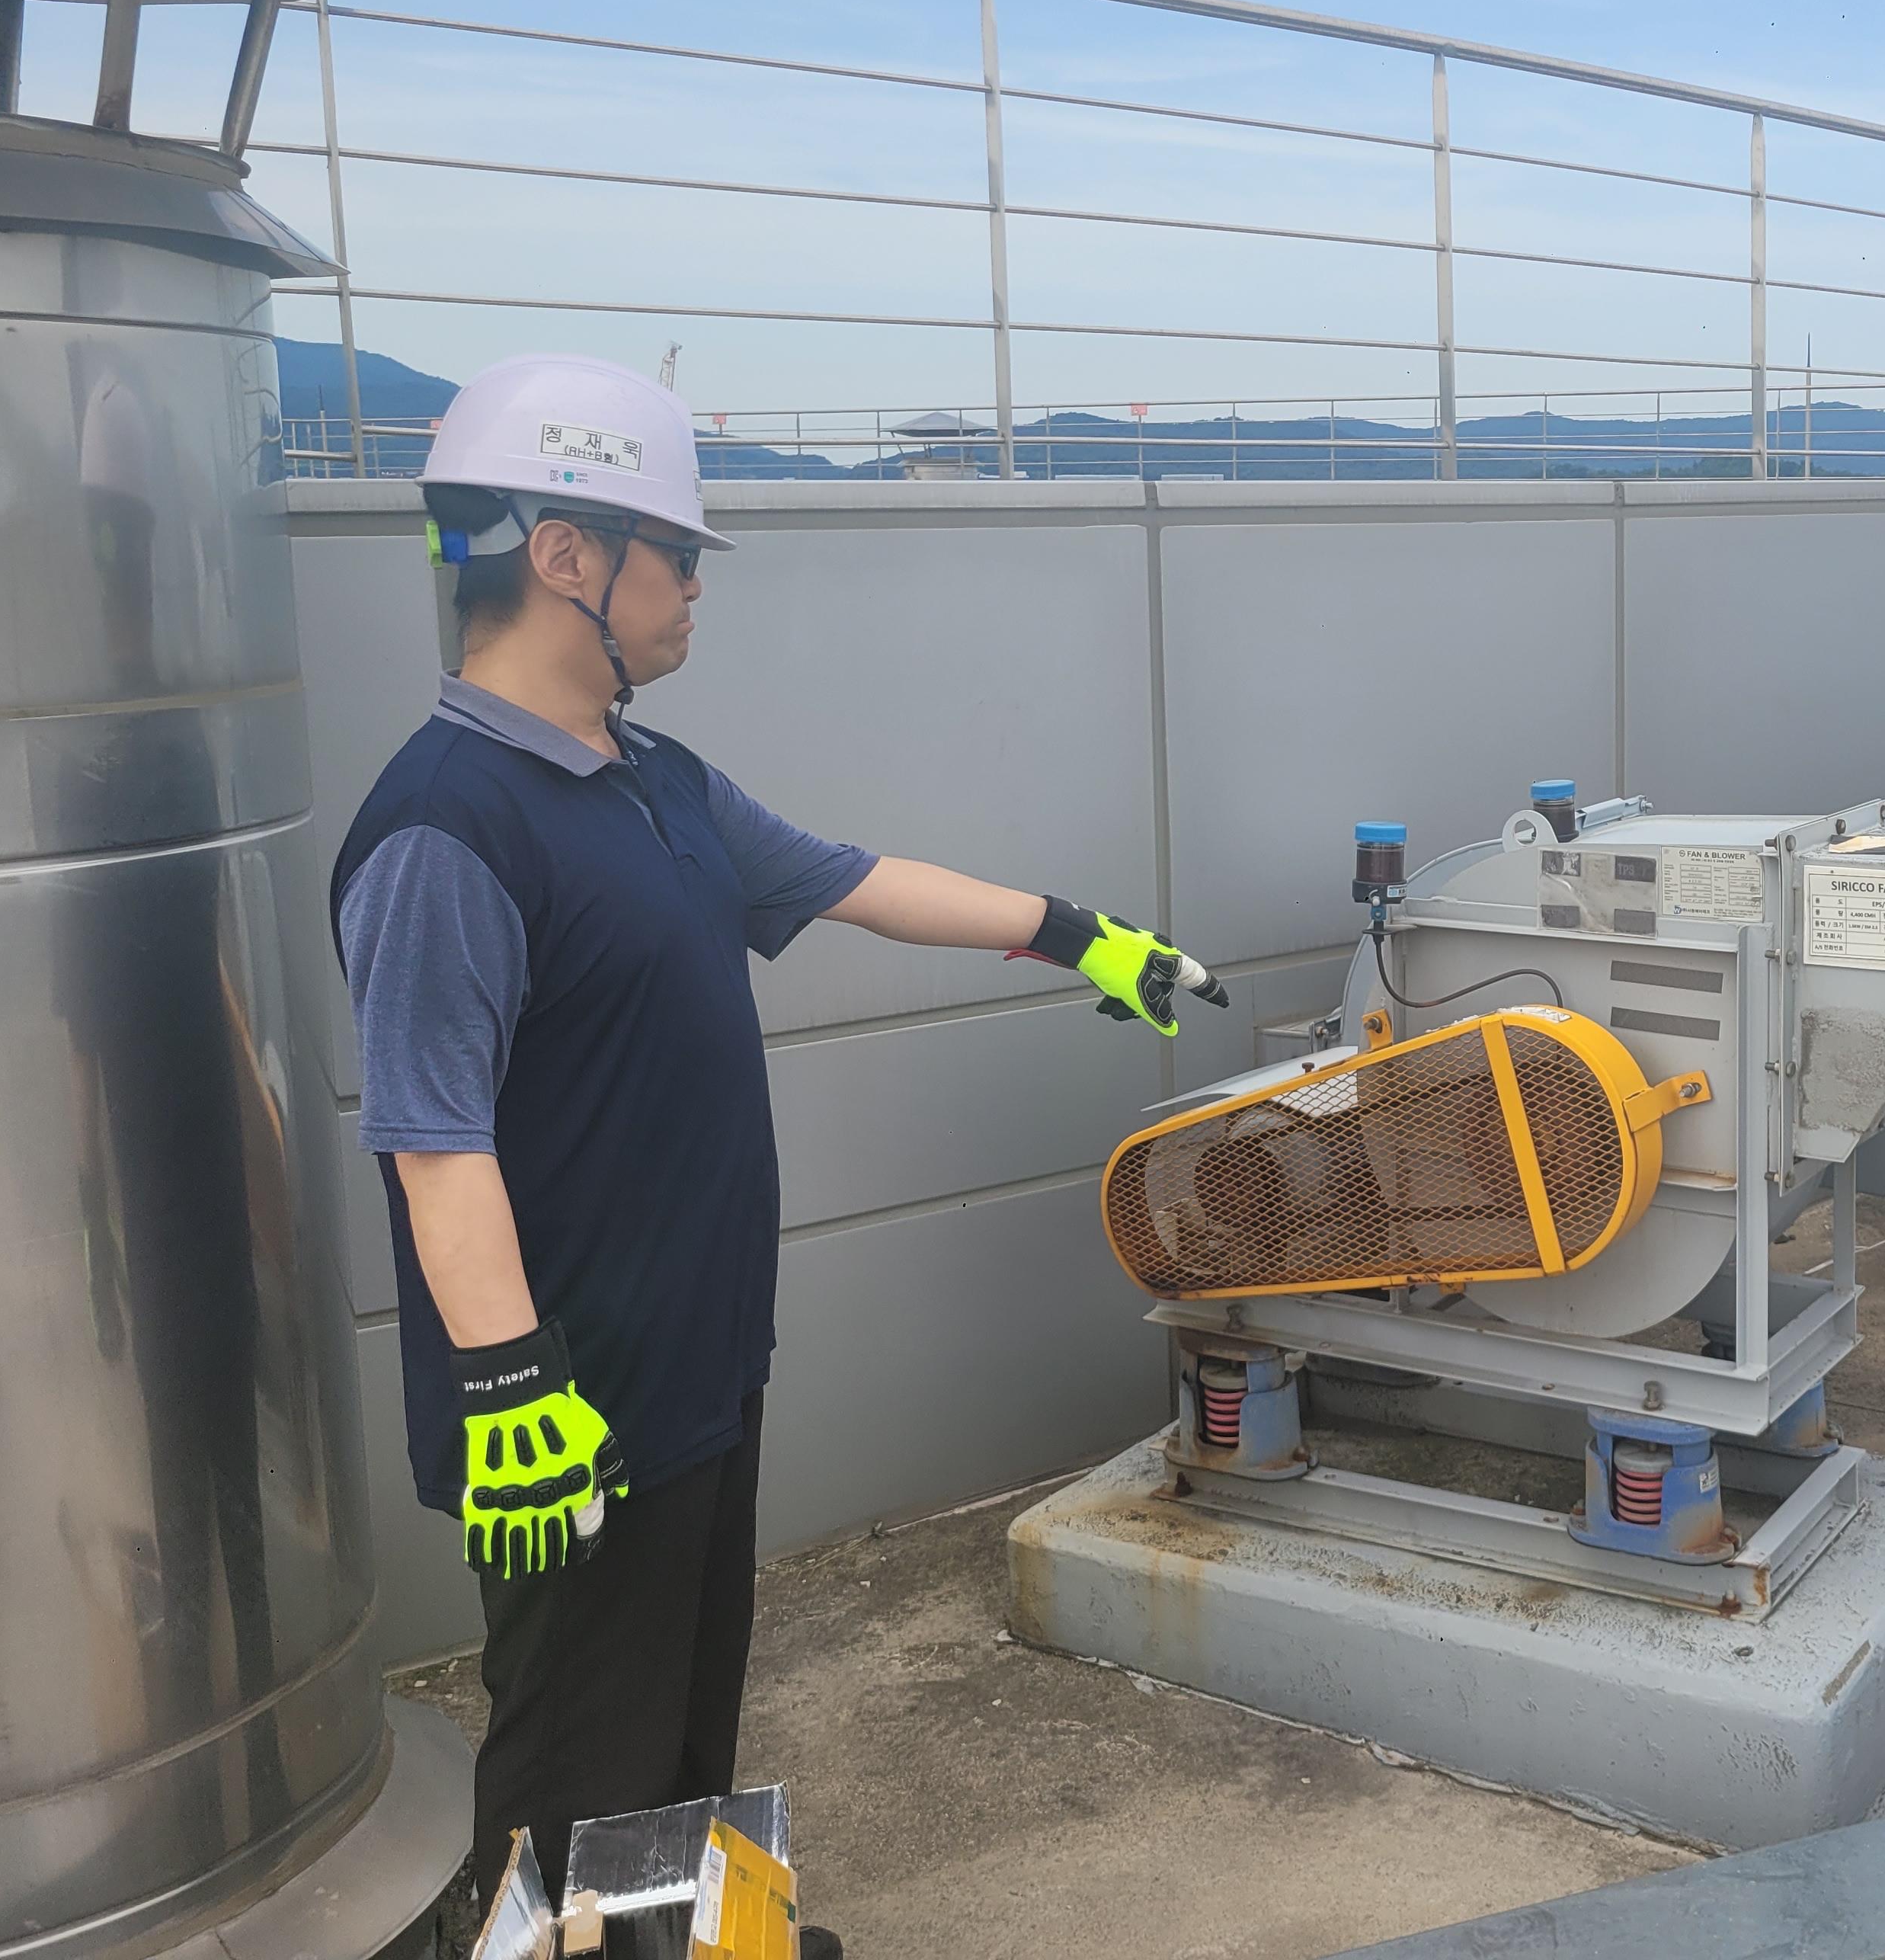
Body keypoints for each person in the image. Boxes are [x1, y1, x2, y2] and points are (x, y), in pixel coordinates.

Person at [328, 354, 1223, 1935]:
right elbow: (433, 1141)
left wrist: (1075, 933)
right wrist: (513, 1389)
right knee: (572, 1770)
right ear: (565, 554)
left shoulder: (653, 781)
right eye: (676, 554)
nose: (695, 588)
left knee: (682, 1731)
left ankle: (692, 1939)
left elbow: (855, 878)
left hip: (695, 1370)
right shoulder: (445, 828)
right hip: (568, 1417)